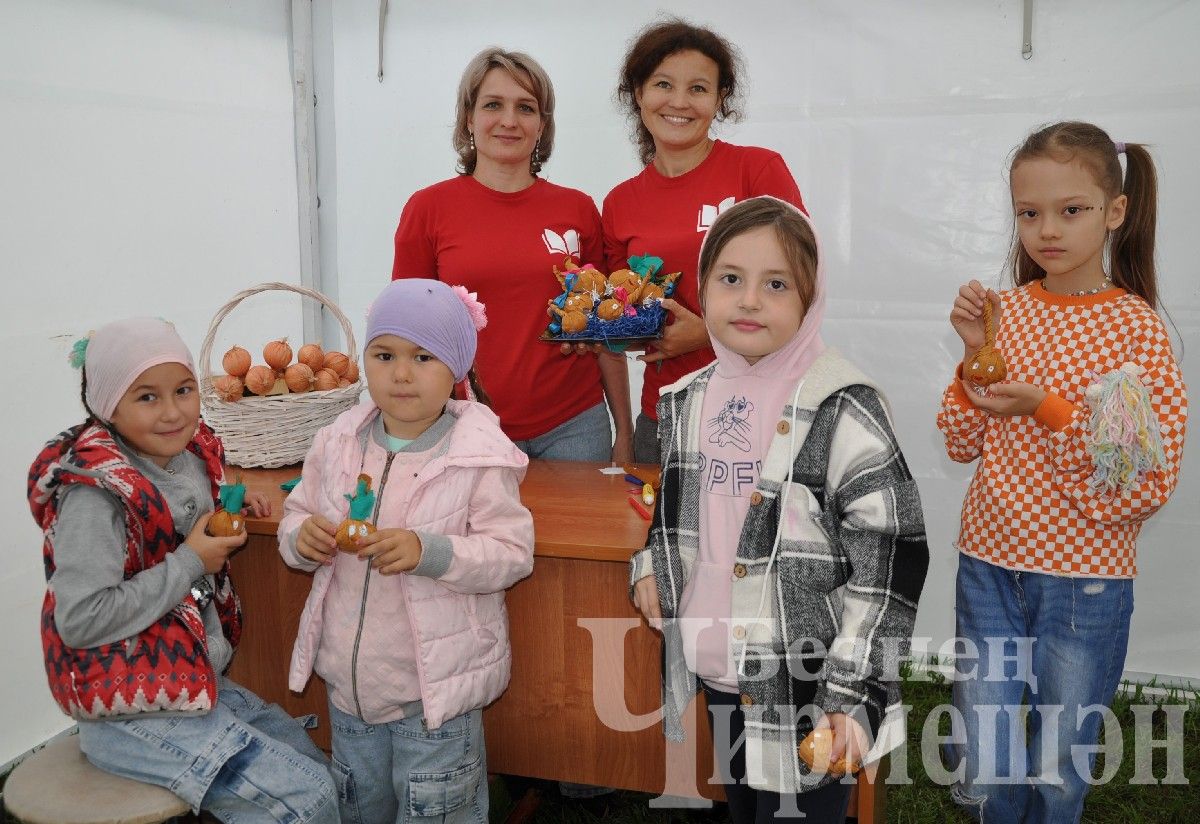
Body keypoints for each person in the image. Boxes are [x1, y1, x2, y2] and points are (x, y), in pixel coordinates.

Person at [630, 197, 929, 823]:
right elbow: (675, 513)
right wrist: (651, 565)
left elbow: (891, 559)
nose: (748, 300)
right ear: (703, 285)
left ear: (810, 299)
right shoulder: (688, 398)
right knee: (742, 809)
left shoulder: (842, 406)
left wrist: (847, 694)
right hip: (720, 669)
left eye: (776, 284)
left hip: (809, 685)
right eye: (730, 279)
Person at [937, 121, 1188, 823]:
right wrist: (972, 356)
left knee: (1057, 764)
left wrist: (1047, 408)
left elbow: (1140, 481)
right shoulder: (1006, 312)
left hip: (1086, 578)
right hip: (988, 562)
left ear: (1114, 213)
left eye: (1070, 210)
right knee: (986, 757)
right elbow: (959, 439)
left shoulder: (1135, 329)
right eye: (1028, 212)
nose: (1046, 229)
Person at [27, 317, 337, 822]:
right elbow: (80, 620)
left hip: (186, 676)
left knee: (309, 760)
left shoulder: (187, 454)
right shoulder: (92, 496)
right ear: (108, 406)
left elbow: (181, 510)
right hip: (125, 706)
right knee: (307, 799)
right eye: (147, 397)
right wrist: (192, 561)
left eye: (184, 389)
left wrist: (233, 504)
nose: (173, 412)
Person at [279, 279, 535, 823]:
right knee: (361, 809)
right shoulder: (337, 441)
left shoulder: (478, 456)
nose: (400, 373)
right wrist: (301, 539)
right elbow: (297, 513)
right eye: (385, 354)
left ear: (456, 369)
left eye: (423, 356)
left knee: (436, 813)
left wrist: (430, 552)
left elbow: (512, 553)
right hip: (349, 693)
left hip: (434, 699)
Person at [392, 47, 633, 464]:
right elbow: (406, 333)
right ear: (469, 118)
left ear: (542, 125)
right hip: (465, 426)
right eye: (493, 105)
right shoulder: (427, 209)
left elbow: (604, 331)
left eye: (526, 108)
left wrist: (625, 432)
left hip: (575, 426)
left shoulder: (577, 209)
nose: (509, 120)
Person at [602, 18, 807, 463]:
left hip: (756, 404)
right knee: (658, 535)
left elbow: (800, 287)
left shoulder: (757, 171)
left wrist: (709, 334)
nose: (679, 102)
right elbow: (625, 306)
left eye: (698, 88)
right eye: (662, 84)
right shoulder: (620, 202)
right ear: (638, 94)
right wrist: (610, 329)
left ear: (719, 100)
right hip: (663, 413)